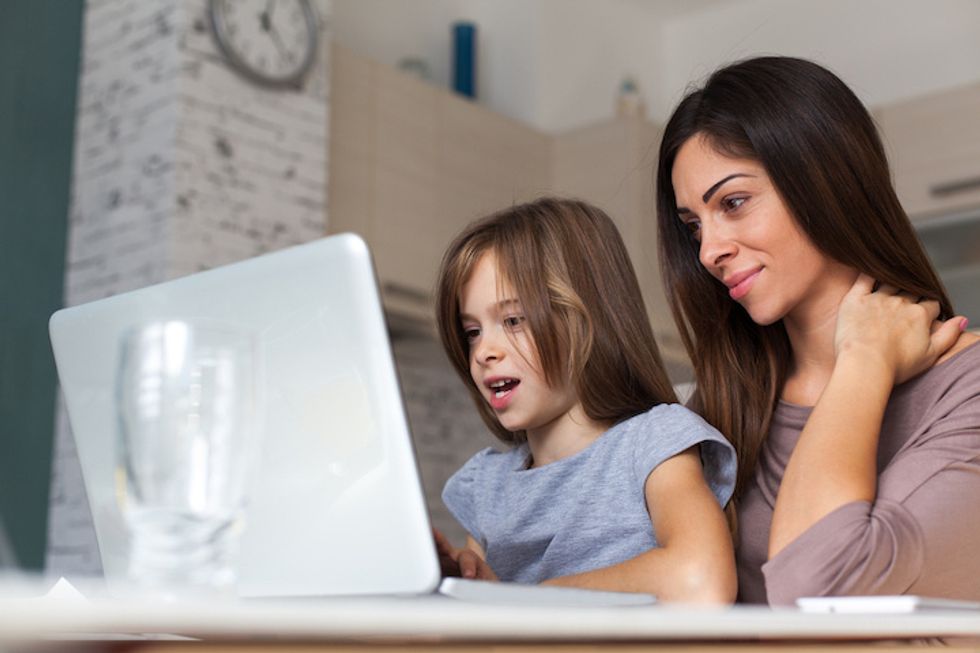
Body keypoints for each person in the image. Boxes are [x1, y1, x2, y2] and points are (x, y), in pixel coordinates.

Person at [655, 55, 980, 605]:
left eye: (733, 203)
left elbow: (818, 592)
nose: (709, 251)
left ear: (823, 179)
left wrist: (864, 359)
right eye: (693, 227)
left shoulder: (966, 389)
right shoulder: (715, 411)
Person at [432, 197, 737, 602]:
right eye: (473, 331)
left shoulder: (653, 443)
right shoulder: (486, 486)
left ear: (589, 320)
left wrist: (534, 599)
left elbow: (702, 579)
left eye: (513, 320)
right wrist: (468, 590)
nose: (484, 351)